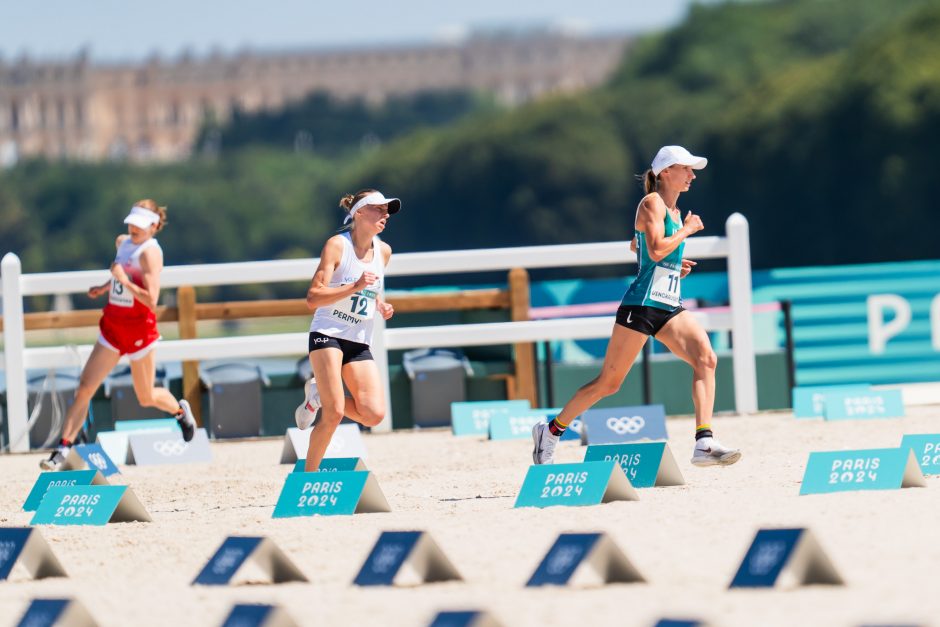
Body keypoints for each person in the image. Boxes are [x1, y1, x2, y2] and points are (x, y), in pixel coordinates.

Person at [532, 146, 741, 467]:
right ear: (666, 172)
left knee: (706, 358)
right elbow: (655, 249)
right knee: (609, 383)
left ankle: (704, 441)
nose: (692, 175)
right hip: (641, 305)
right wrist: (685, 233)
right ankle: (551, 431)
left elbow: (640, 246)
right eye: (686, 169)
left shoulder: (670, 210)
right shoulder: (651, 203)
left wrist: (675, 264)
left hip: (669, 304)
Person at [40, 200, 196, 470]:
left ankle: (180, 412)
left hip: (138, 330)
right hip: (114, 326)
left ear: (154, 226)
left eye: (140, 224)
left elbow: (151, 299)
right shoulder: (123, 242)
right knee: (85, 387)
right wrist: (104, 287)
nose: (133, 228)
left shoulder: (150, 253)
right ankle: (63, 449)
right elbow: (120, 273)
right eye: (132, 222)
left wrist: (122, 281)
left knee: (145, 396)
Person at [294, 189, 398, 472]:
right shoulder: (337, 246)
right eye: (378, 209)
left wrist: (380, 304)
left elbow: (370, 287)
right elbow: (313, 297)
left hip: (358, 340)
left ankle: (317, 395)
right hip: (327, 333)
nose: (385, 214)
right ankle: (308, 478)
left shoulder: (384, 252)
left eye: (387, 210)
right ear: (359, 213)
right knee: (335, 413)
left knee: (374, 414)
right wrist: (354, 287)